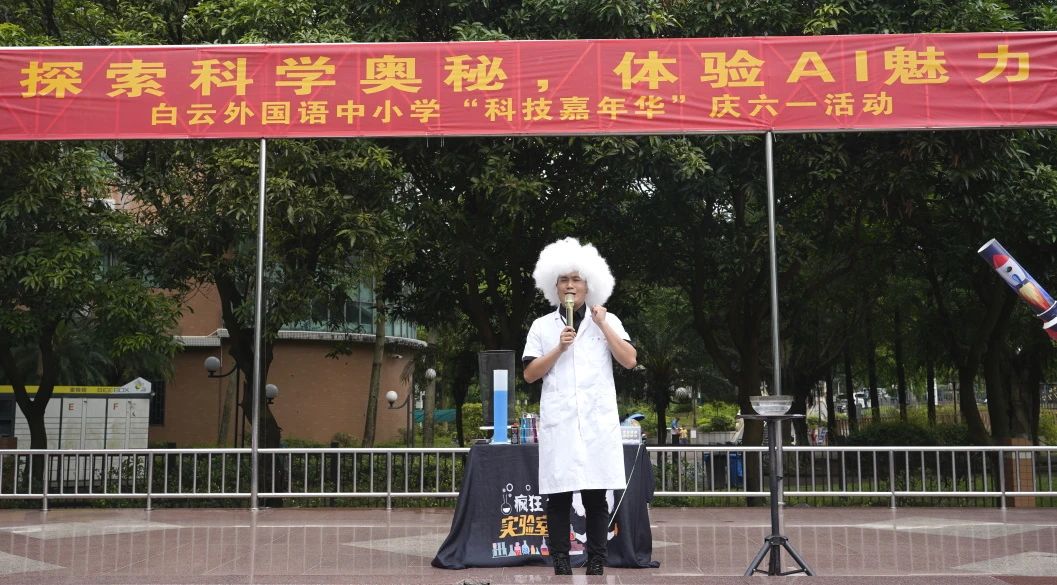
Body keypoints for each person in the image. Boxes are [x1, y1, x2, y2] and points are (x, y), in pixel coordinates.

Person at [522, 237, 637, 576]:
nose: (570, 286)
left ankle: (597, 560)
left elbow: (629, 360)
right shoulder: (542, 326)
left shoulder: (607, 320)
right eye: (563, 280)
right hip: (561, 422)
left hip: (596, 422)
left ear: (589, 285)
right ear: (554, 286)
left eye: (576, 279)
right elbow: (529, 374)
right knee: (558, 496)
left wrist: (602, 324)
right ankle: (560, 561)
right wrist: (559, 348)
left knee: (595, 495)